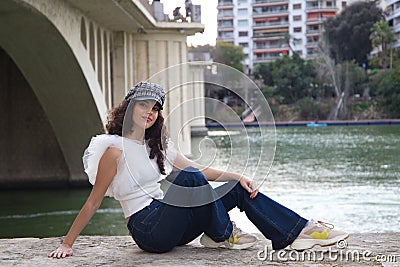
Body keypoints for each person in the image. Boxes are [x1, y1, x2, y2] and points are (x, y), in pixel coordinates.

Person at [48, 82, 348, 258]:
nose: (149, 113)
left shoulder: (158, 146)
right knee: (189, 180)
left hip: (170, 218)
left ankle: (296, 232)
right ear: (129, 108)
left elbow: (201, 170)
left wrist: (237, 176)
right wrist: (66, 244)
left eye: (155, 109)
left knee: (234, 189)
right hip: (147, 229)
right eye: (144, 106)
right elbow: (93, 200)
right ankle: (222, 232)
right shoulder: (113, 150)